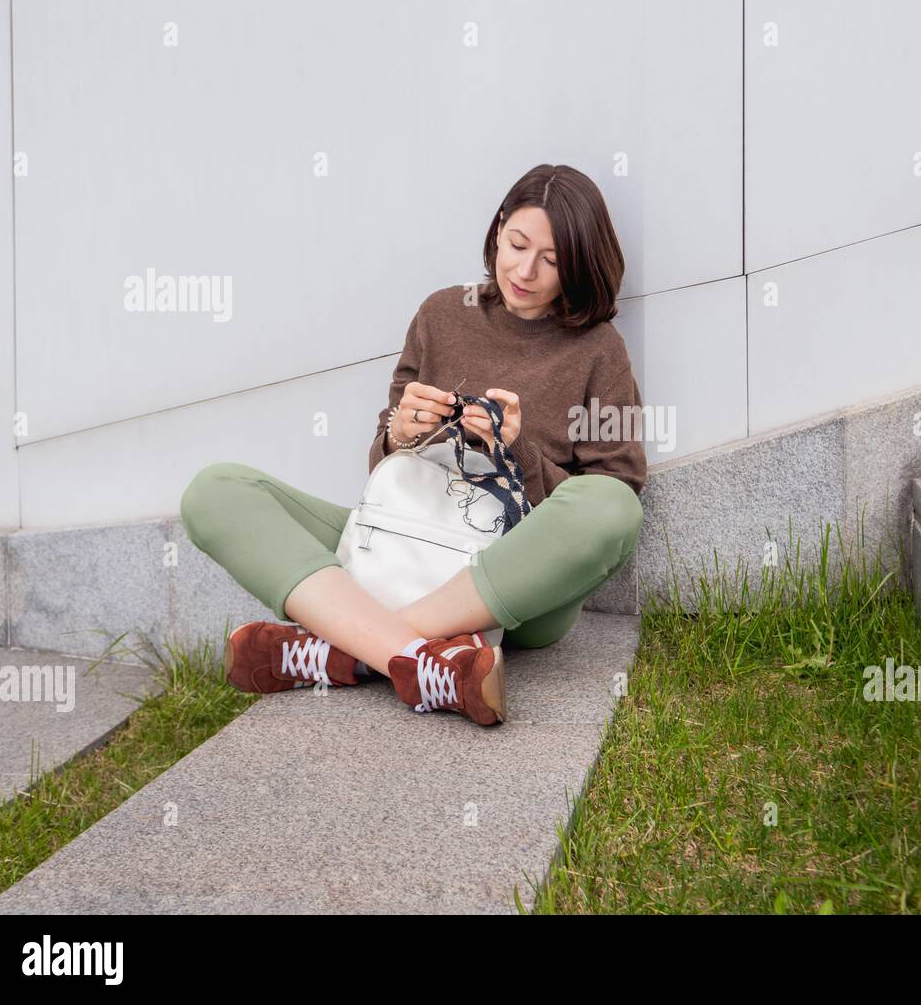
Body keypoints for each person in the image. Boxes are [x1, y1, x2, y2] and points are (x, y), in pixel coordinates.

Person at [179, 164, 647, 726]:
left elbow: (613, 491)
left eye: (551, 260)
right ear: (498, 228)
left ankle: (345, 647)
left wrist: (515, 452)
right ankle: (422, 661)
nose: (525, 270)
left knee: (614, 508)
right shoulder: (443, 313)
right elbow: (385, 463)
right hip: (407, 539)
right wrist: (399, 433)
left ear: (579, 263)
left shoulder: (599, 348)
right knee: (217, 491)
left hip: (514, 581)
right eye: (517, 244)